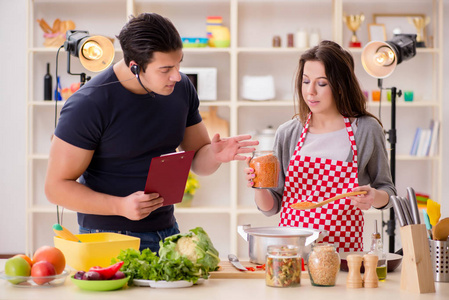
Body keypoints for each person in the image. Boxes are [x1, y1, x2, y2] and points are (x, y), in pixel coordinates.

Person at [45, 13, 257, 253]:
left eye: (178, 65)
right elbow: (56, 187)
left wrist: (215, 155)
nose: (176, 76)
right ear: (135, 66)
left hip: (167, 230)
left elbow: (199, 162)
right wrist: (120, 206)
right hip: (108, 238)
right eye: (165, 69)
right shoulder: (89, 103)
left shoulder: (181, 88)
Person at [244, 40, 396, 253]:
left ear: (340, 85)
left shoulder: (366, 129)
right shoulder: (288, 133)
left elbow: (388, 191)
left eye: (321, 83)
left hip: (343, 255)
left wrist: (374, 197)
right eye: (306, 81)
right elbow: (273, 206)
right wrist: (258, 186)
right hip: (293, 254)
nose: (310, 92)